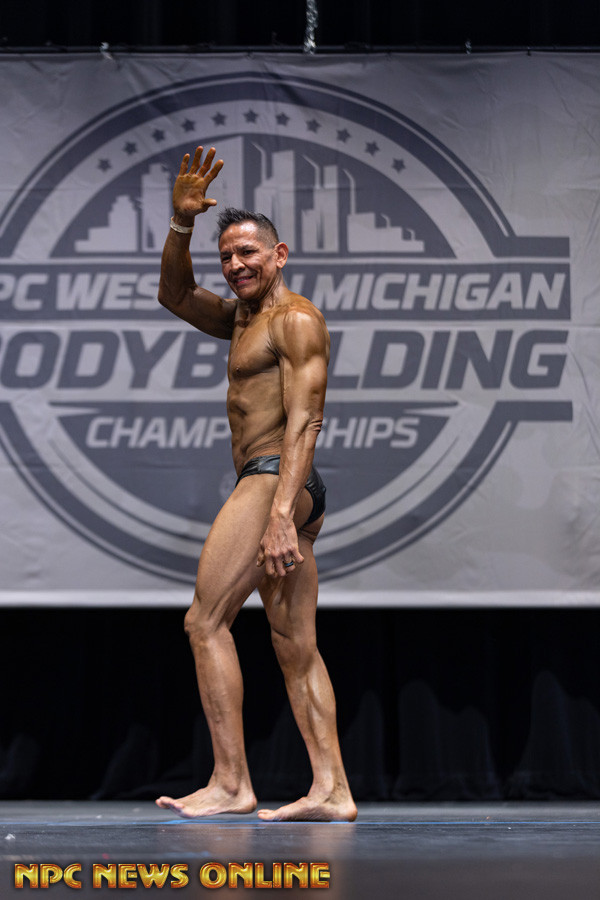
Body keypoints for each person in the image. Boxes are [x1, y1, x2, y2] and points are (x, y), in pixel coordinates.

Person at [155, 146, 357, 822]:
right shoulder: (243, 319)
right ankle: (333, 790)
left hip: (277, 478)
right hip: (285, 487)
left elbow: (307, 420)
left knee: (205, 621)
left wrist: (278, 515)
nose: (236, 265)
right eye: (227, 257)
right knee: (294, 645)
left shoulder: (294, 319)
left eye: (248, 253)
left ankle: (231, 783)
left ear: (279, 254)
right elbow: (174, 295)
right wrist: (182, 224)